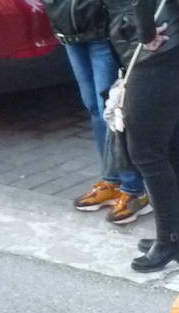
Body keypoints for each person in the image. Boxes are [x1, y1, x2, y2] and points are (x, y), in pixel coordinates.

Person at [107, 0, 179, 272]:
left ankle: (170, 240)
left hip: (158, 54)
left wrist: (146, 32)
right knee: (172, 144)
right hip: (175, 46)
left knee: (146, 151)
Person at [47, 0, 150, 225]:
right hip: (70, 27)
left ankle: (133, 189)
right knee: (95, 108)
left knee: (112, 110)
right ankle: (112, 180)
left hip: (103, 29)